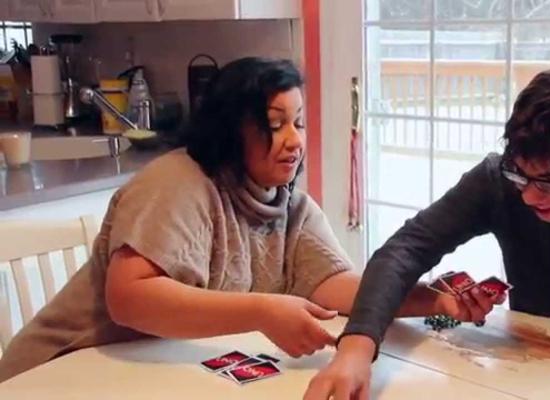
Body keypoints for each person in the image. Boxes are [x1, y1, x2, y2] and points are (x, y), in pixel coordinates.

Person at [0, 57, 488, 384]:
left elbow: (335, 287)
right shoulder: (178, 182)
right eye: (275, 125)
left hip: (148, 375)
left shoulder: (291, 204)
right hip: (53, 376)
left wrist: (434, 299)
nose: (295, 140)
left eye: (298, 122)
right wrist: (262, 311)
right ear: (231, 130)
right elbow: (129, 299)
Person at [305, 69, 550, 400]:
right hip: (525, 372)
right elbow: (405, 251)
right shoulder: (497, 181)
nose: (530, 195)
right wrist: (355, 349)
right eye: (520, 174)